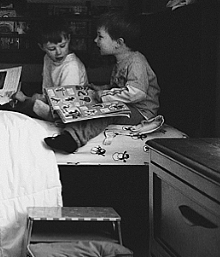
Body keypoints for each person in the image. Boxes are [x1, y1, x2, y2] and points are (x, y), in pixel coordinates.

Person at [44, 12, 160, 153]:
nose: (95, 40)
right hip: (128, 106)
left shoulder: (136, 62)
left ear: (119, 43)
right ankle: (67, 126)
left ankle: (73, 139)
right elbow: (119, 87)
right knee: (91, 103)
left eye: (100, 36)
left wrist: (104, 96)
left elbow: (137, 93)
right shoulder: (121, 61)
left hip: (141, 111)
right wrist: (99, 89)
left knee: (107, 112)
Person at [13, 22, 88, 120]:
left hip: (69, 109)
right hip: (52, 102)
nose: (58, 52)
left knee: (32, 106)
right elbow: (46, 88)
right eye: (52, 49)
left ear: (68, 39)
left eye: (62, 46)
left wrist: (31, 99)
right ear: (41, 47)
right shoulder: (47, 58)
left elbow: (66, 103)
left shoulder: (71, 67)